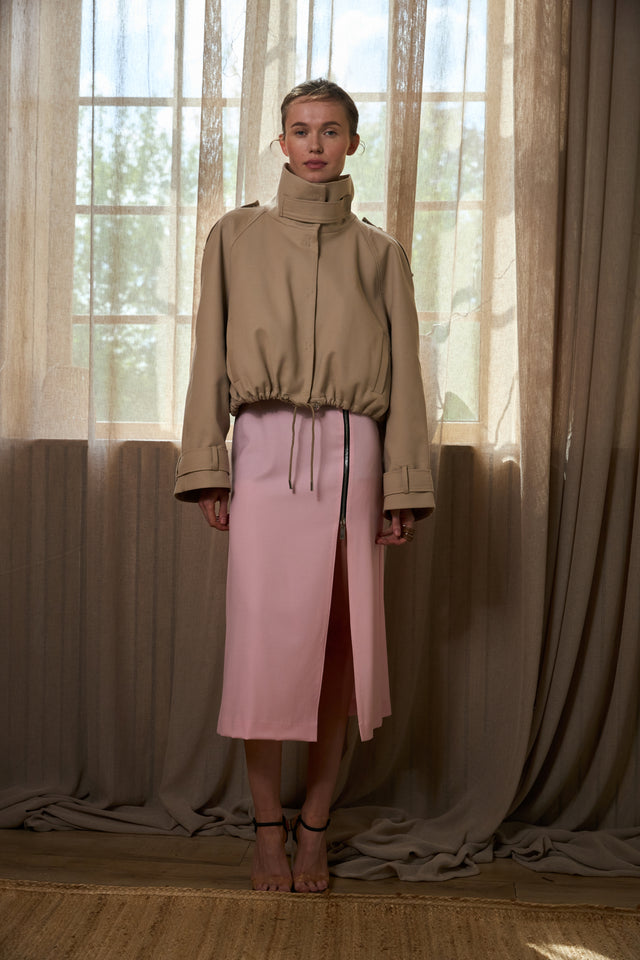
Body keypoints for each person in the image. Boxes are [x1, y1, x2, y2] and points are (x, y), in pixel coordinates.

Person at [174, 78, 434, 893]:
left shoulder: (380, 253)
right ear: (281, 143)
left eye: (330, 130)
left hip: (354, 455)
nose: (315, 143)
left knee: (335, 657)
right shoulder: (234, 237)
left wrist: (401, 487)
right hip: (261, 450)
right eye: (299, 129)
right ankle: (264, 834)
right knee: (262, 653)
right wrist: (208, 468)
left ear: (353, 143)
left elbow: (409, 381)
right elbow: (207, 360)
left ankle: (314, 834)